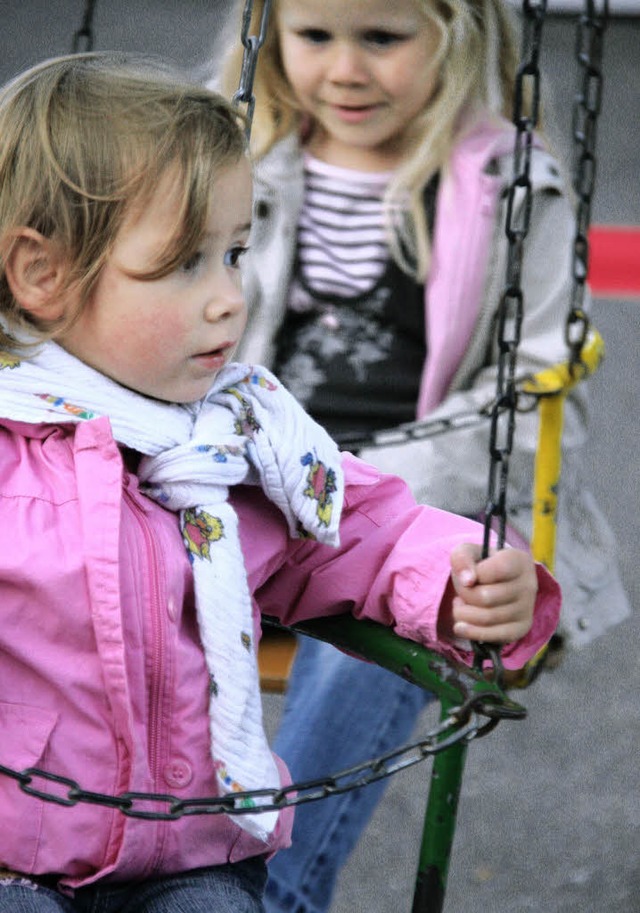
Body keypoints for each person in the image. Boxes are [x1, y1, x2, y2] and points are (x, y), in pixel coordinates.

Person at [0, 52, 561, 912]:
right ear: (41, 274)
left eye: (234, 254)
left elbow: (363, 531)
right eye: (187, 264)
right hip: (19, 855)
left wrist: (463, 575)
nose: (231, 296)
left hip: (194, 851)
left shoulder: (241, 434)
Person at [217, 0, 631, 911]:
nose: (345, 71)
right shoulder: (237, 160)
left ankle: (270, 893)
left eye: (382, 38)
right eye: (315, 37)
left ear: (457, 33)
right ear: (270, 36)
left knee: (409, 599)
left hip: (422, 497)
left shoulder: (515, 186)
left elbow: (529, 398)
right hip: (248, 480)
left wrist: (352, 483)